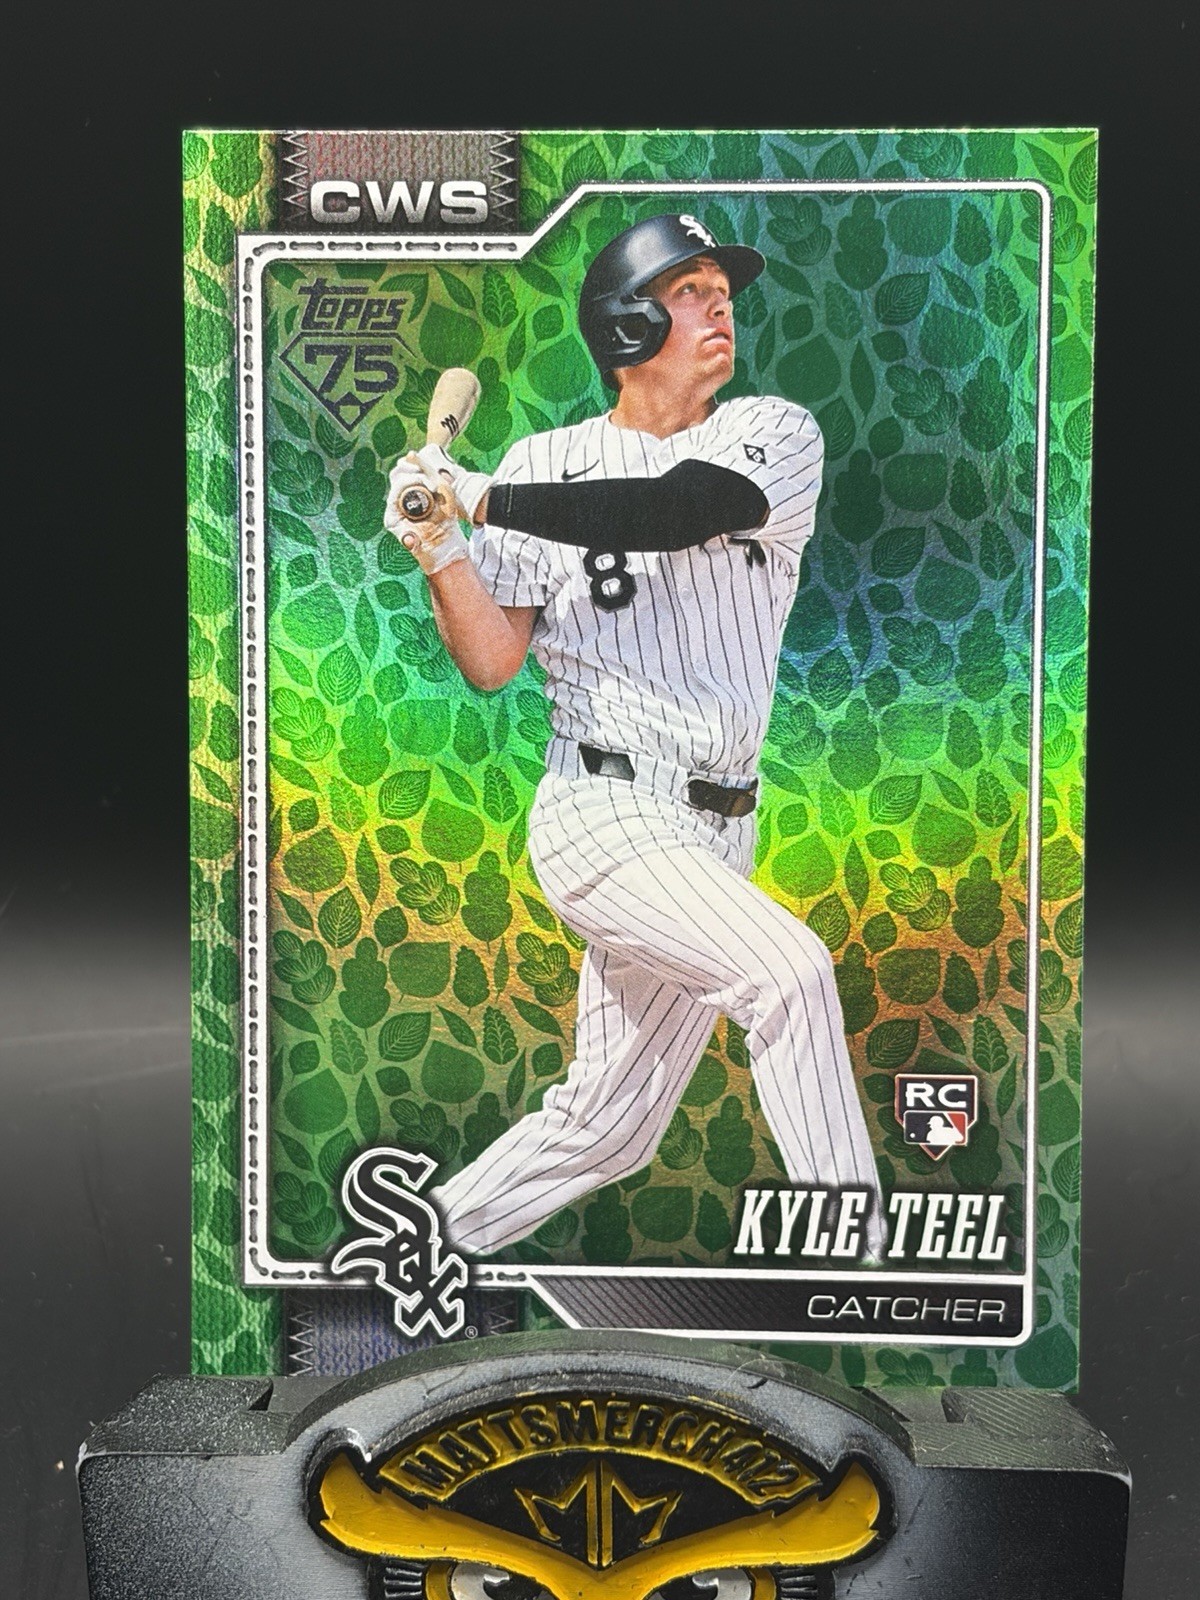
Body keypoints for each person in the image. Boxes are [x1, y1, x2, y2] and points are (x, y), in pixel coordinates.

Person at [383, 213, 885, 1260]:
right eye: (690, 291)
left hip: (718, 828)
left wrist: (479, 496)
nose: (720, 309)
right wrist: (441, 551)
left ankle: (412, 1258)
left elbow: (677, 506)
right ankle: (870, 1269)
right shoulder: (549, 457)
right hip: (601, 807)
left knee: (606, 1127)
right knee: (789, 975)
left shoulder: (773, 432)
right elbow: (493, 659)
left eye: (722, 293)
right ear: (625, 324)